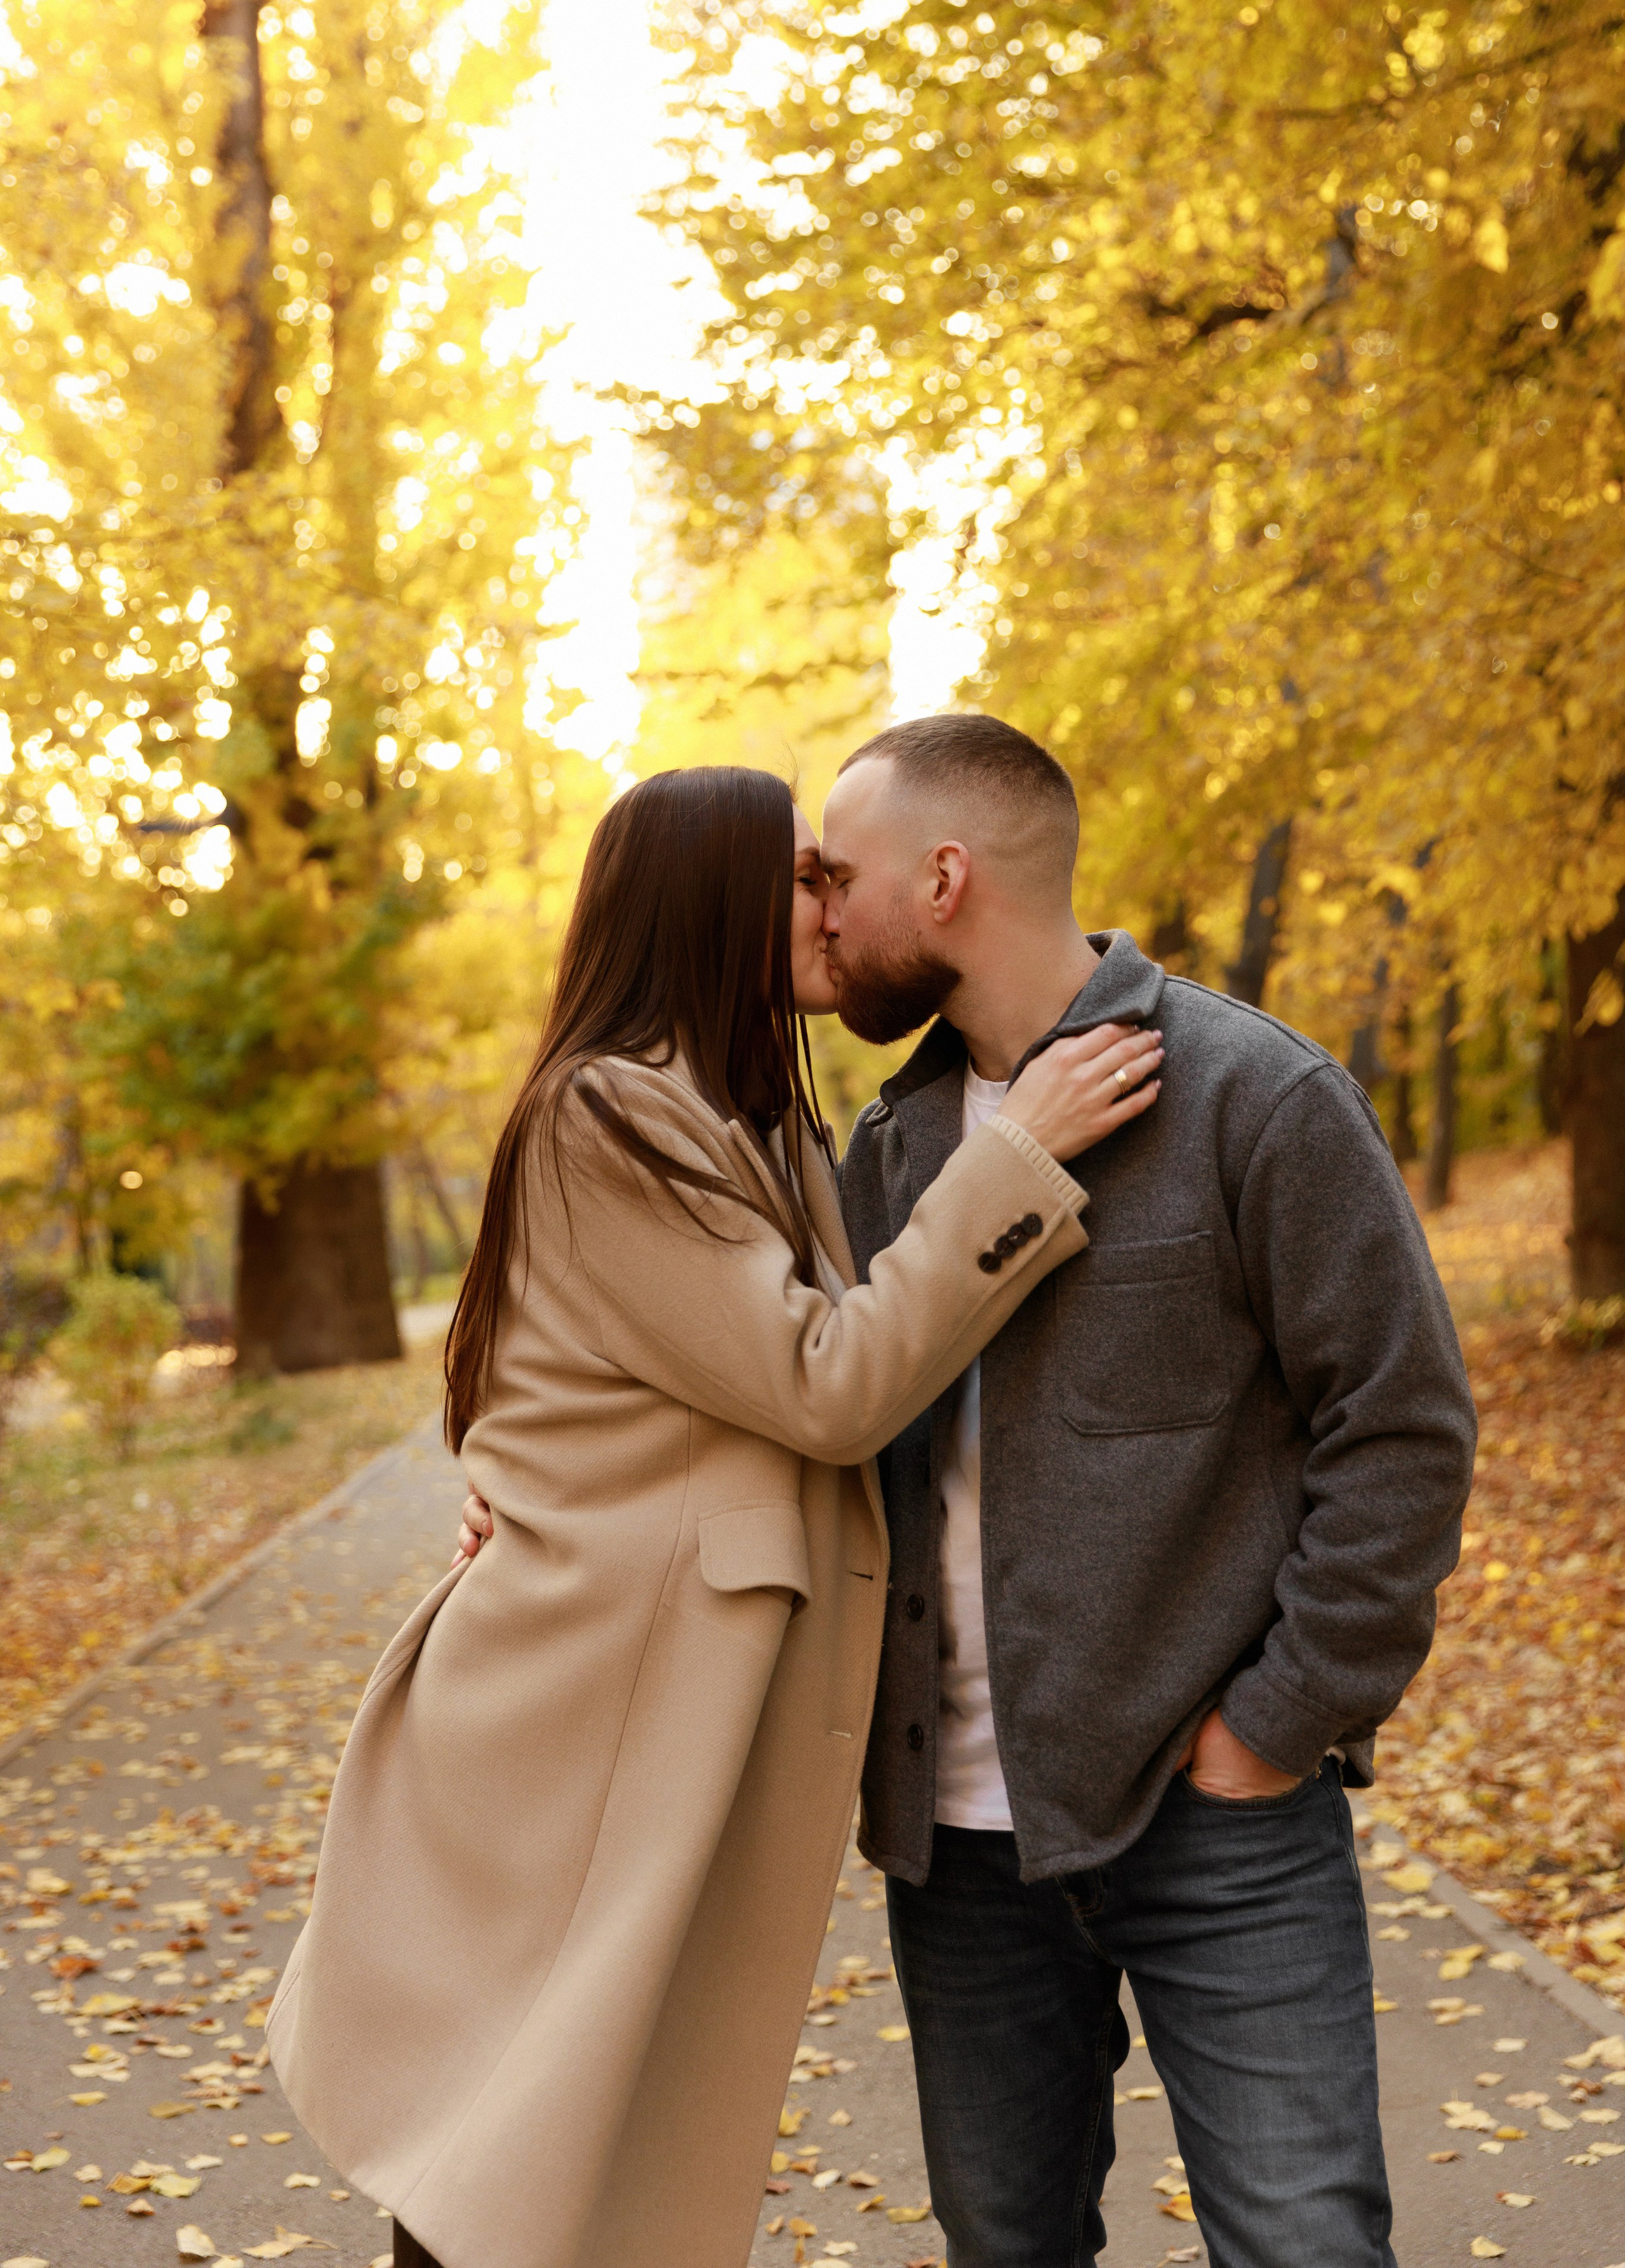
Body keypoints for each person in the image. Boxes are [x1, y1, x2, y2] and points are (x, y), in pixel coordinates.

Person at [269, 763, 1163, 2268]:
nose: (835, 903)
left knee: (570, 2133)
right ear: (710, 899)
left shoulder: (745, 1120)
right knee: (519, 2137)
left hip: (647, 1704)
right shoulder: (610, 1117)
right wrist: (1018, 1162)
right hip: (584, 1718)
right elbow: (827, 1383)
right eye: (804, 876)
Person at [817, 714, 1476, 2268]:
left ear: (946, 876)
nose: (823, 917)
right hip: (956, 1850)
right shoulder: (887, 1145)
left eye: (840, 878)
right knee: (1006, 2249)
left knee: (1304, 2246)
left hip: (1218, 1829)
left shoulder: (1253, 1096)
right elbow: (800, 1399)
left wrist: (1273, 1726)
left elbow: (1399, 1429)